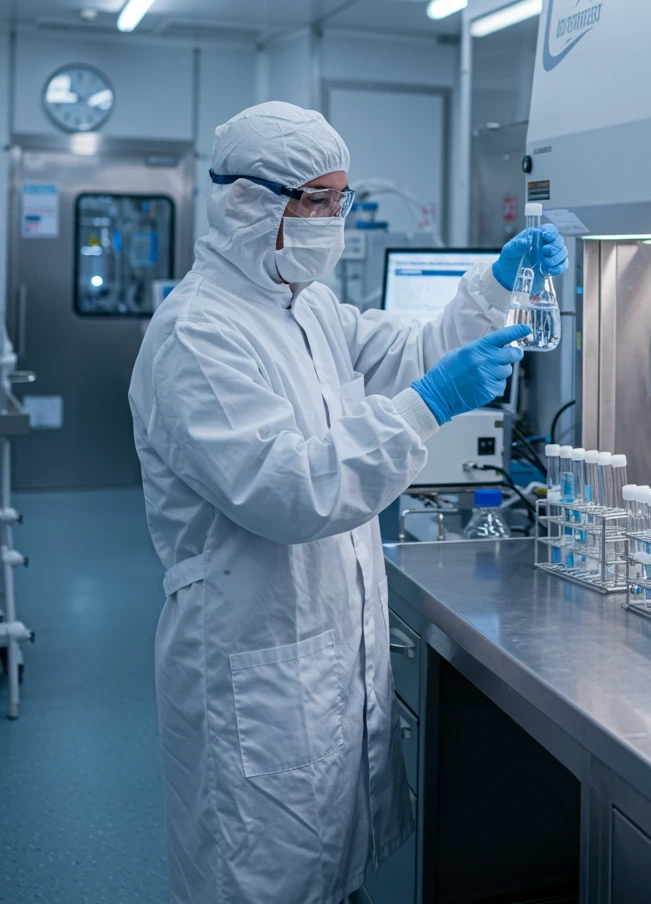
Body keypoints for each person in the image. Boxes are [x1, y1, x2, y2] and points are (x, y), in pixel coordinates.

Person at [128, 101, 568, 904]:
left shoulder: (305, 306)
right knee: (263, 878)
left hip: (322, 645)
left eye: (342, 200)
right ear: (248, 204)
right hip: (253, 656)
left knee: (333, 873)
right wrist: (430, 404)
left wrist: (494, 284)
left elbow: (409, 352)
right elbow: (292, 490)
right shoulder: (198, 334)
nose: (335, 219)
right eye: (318, 201)